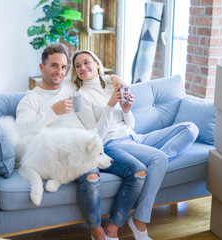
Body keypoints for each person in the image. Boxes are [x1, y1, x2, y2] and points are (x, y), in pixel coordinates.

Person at [15, 44, 143, 240]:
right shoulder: (31, 99)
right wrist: (52, 112)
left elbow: (94, 74)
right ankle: (96, 231)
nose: (59, 71)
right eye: (54, 66)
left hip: (95, 144)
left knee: (137, 171)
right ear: (42, 68)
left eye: (64, 67)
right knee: (92, 177)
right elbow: (21, 129)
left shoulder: (70, 87)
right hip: (68, 153)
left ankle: (114, 227)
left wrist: (115, 78)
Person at [70, 50, 199, 240]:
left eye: (86, 62)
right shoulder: (79, 97)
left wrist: (126, 110)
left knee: (190, 128)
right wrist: (109, 105)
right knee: (159, 158)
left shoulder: (112, 85)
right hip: (113, 143)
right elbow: (96, 135)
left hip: (135, 137)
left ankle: (154, 166)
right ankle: (139, 221)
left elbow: (129, 125)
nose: (82, 67)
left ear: (97, 63)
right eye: (78, 65)